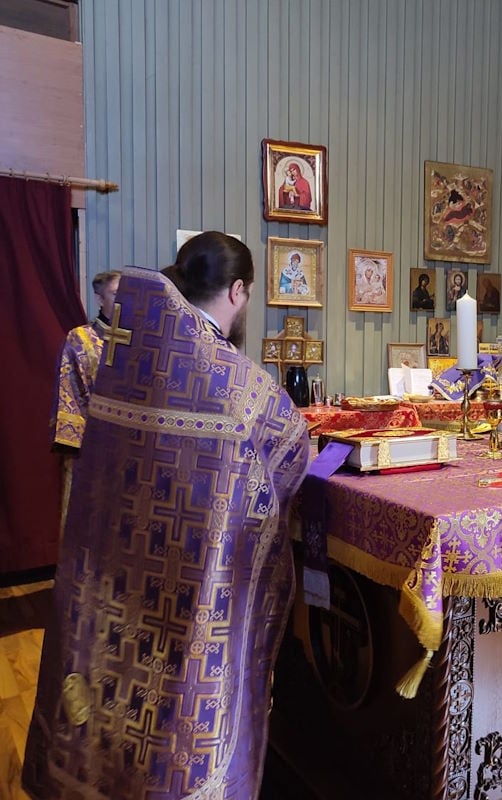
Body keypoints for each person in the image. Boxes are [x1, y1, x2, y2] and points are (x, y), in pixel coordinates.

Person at [23, 232, 310, 800]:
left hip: (123, 575)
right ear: (238, 291)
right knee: (180, 703)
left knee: (123, 690)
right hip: (194, 583)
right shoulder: (244, 386)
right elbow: (292, 457)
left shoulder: (125, 363)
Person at [49, 270, 121, 453]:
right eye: (115, 293)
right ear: (100, 299)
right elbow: (70, 388)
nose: (123, 300)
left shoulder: (143, 339)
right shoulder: (80, 338)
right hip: (93, 439)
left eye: (127, 294)